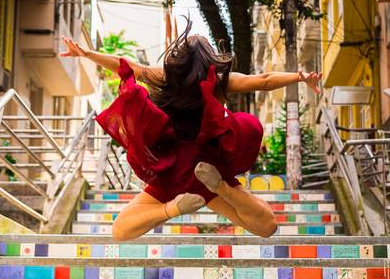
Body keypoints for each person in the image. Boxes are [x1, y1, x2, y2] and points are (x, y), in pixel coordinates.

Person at [61, 21, 321, 241]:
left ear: (179, 59)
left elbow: (125, 66)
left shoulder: (163, 76)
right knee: (266, 227)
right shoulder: (220, 82)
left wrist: (88, 54)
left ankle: (172, 208)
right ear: (210, 58)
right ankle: (221, 188)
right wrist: (300, 77)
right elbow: (263, 81)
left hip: (173, 167)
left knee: (120, 230)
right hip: (209, 165)